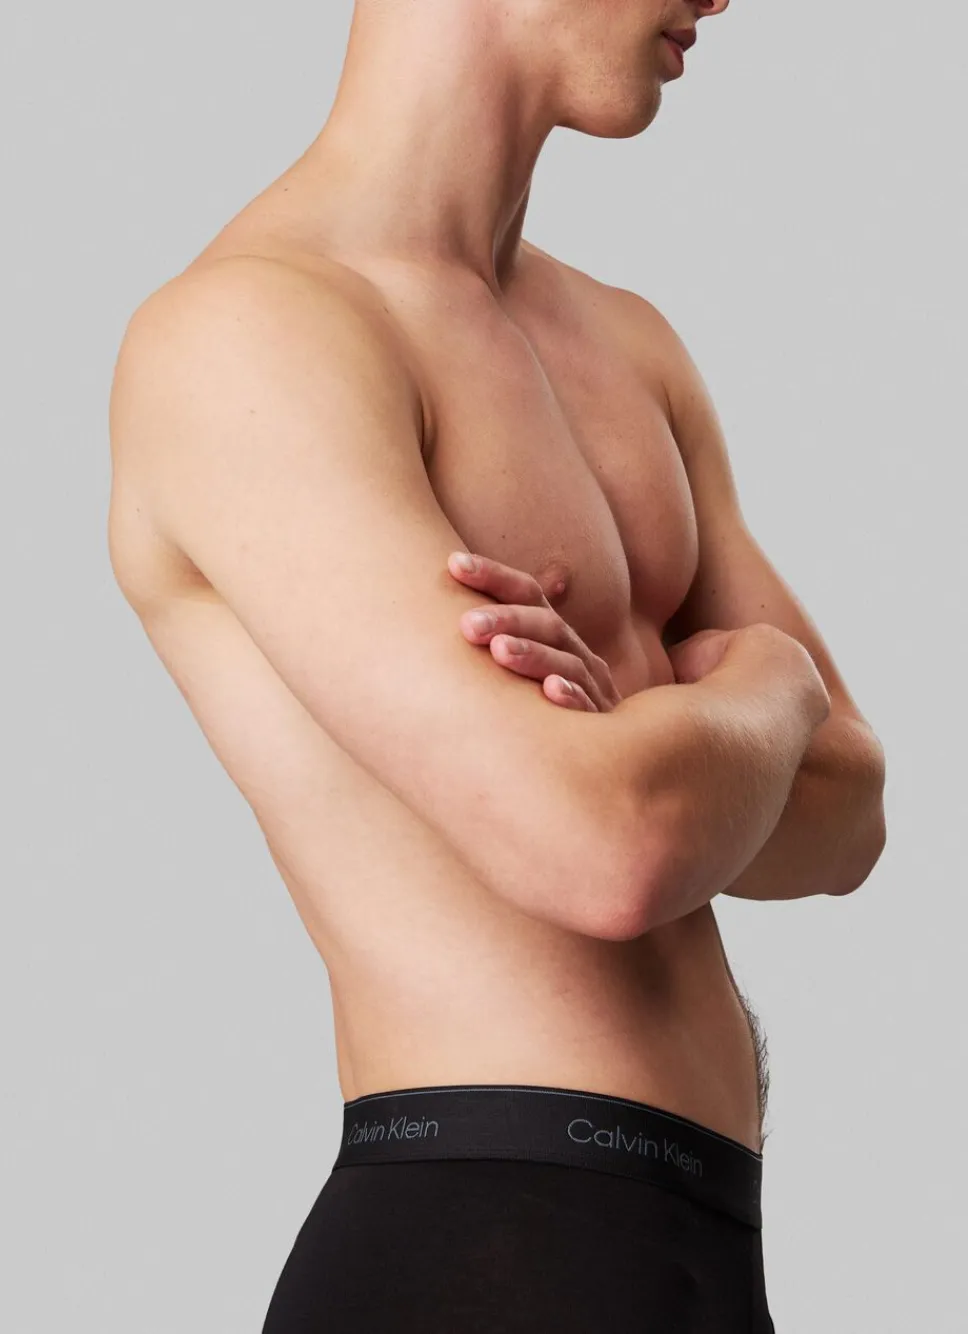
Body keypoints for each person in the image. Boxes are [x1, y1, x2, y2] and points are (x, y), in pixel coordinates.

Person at [107, 0, 887, 1327]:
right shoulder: (251, 336)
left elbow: (849, 817)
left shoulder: (630, 345)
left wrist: (675, 748)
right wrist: (770, 679)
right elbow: (610, 848)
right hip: (475, 1245)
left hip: (704, 1246)